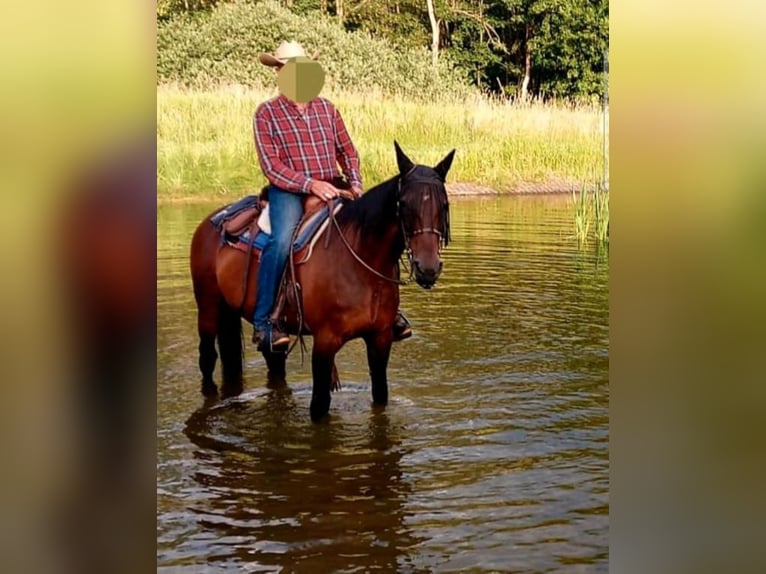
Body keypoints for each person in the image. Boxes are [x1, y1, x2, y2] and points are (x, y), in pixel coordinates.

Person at [252, 40, 412, 351]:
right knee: (282, 240)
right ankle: (265, 322)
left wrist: (354, 183)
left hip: (335, 185)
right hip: (289, 191)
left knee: (374, 230)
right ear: (279, 71)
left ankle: (388, 311)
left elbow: (347, 151)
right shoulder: (266, 114)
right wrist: (310, 185)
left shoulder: (327, 108)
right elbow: (272, 166)